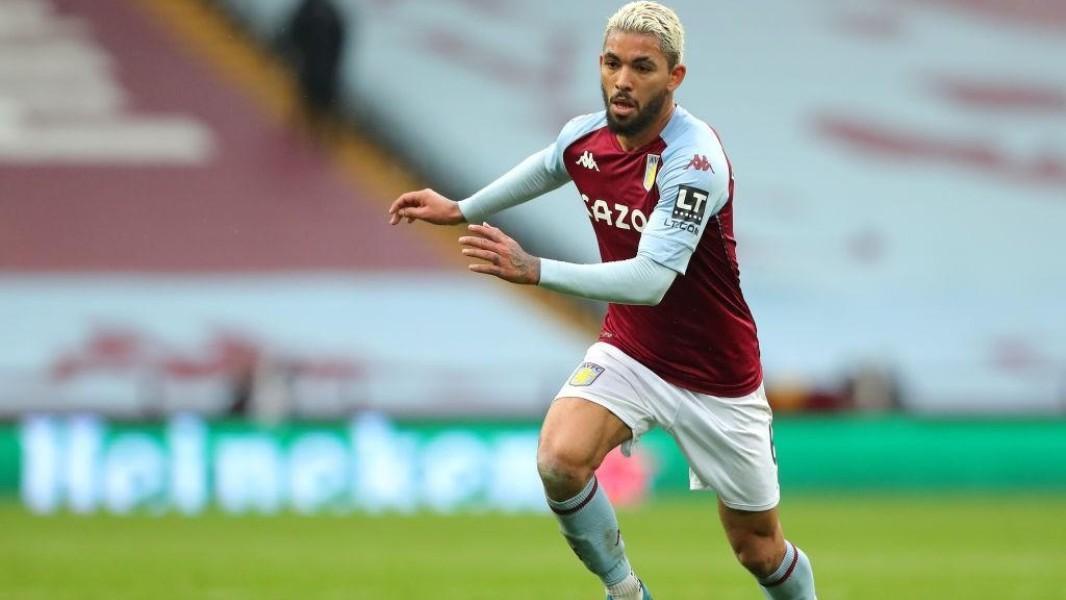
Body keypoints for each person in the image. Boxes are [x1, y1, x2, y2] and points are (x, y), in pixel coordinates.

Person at [387, 2, 818, 599]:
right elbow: (548, 166)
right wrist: (462, 208)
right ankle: (626, 592)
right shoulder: (586, 136)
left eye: (642, 67)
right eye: (613, 63)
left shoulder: (693, 161)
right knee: (560, 460)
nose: (622, 80)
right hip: (633, 350)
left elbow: (651, 280)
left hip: (717, 375)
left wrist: (533, 269)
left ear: (675, 77)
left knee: (758, 549)